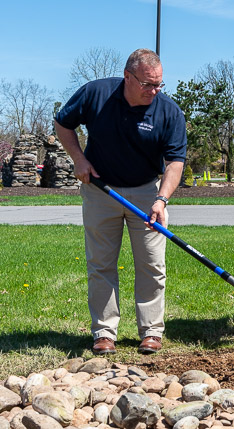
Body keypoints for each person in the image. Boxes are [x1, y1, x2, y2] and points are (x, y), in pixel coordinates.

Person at [54, 49, 187, 355]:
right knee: (100, 263)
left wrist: (162, 200)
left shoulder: (168, 111)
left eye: (159, 85)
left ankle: (151, 332)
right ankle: (104, 333)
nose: (154, 91)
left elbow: (176, 162)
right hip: (100, 190)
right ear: (128, 77)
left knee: (152, 264)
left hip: (146, 193)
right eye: (148, 84)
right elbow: (63, 123)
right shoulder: (95, 94)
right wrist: (79, 160)